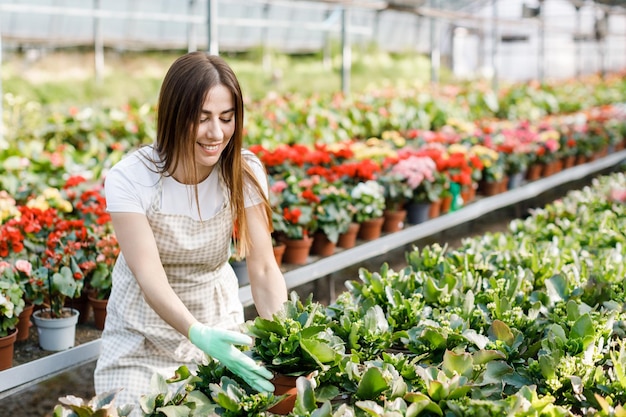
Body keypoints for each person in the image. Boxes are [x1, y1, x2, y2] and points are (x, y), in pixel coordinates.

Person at [94, 52, 288, 411]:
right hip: (143, 332)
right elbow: (150, 277)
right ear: (173, 116)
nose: (216, 133)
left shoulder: (242, 171)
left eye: (226, 118)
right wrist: (197, 333)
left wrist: (287, 344)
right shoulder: (132, 178)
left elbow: (262, 268)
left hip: (217, 317)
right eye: (202, 119)